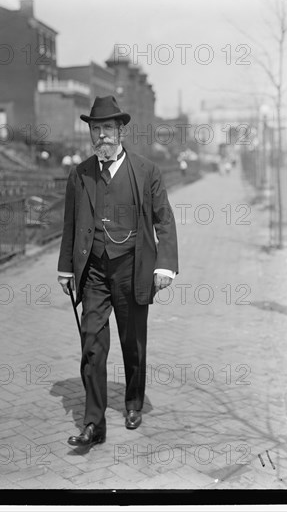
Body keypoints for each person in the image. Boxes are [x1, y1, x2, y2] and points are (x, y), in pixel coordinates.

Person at [57, 96, 179, 449]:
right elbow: (71, 224)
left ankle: (132, 403)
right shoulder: (80, 174)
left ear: (120, 131)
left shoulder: (146, 172)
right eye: (95, 130)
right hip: (93, 271)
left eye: (107, 129)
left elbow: (164, 221)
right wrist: (66, 268)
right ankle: (93, 423)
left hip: (132, 268)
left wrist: (165, 265)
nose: (101, 137)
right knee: (91, 344)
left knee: (132, 344)